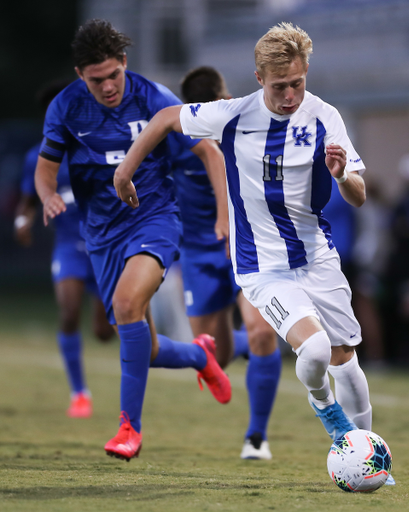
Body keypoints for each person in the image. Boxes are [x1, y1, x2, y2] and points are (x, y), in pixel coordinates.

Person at [114, 22, 395, 484]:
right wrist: (126, 171)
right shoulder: (232, 114)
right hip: (263, 269)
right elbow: (165, 119)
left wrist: (344, 175)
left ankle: (370, 462)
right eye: (281, 85)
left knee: (346, 359)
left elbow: (360, 196)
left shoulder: (325, 117)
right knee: (318, 349)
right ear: (260, 77)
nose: (290, 95)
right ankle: (325, 411)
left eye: (298, 84)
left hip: (318, 259)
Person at [34, 19, 231, 462]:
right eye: (95, 79)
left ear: (124, 62)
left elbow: (209, 151)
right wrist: (47, 196)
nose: (107, 87)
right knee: (148, 346)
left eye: (113, 75)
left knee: (126, 307)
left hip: (154, 219)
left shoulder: (153, 97)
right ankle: (200, 357)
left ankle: (129, 428)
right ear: (80, 75)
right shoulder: (65, 108)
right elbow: (46, 168)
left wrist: (223, 215)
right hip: (100, 235)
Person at [171, 66, 281, 459]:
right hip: (198, 254)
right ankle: (245, 346)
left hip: (246, 247)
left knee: (263, 332)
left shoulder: (250, 130)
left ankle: (256, 437)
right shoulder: (177, 139)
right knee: (214, 356)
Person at [14, 81, 115, 419]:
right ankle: (79, 394)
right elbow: (28, 201)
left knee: (103, 333)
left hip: (102, 245)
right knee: (69, 313)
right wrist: (22, 222)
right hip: (68, 248)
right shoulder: (38, 156)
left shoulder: (98, 145)